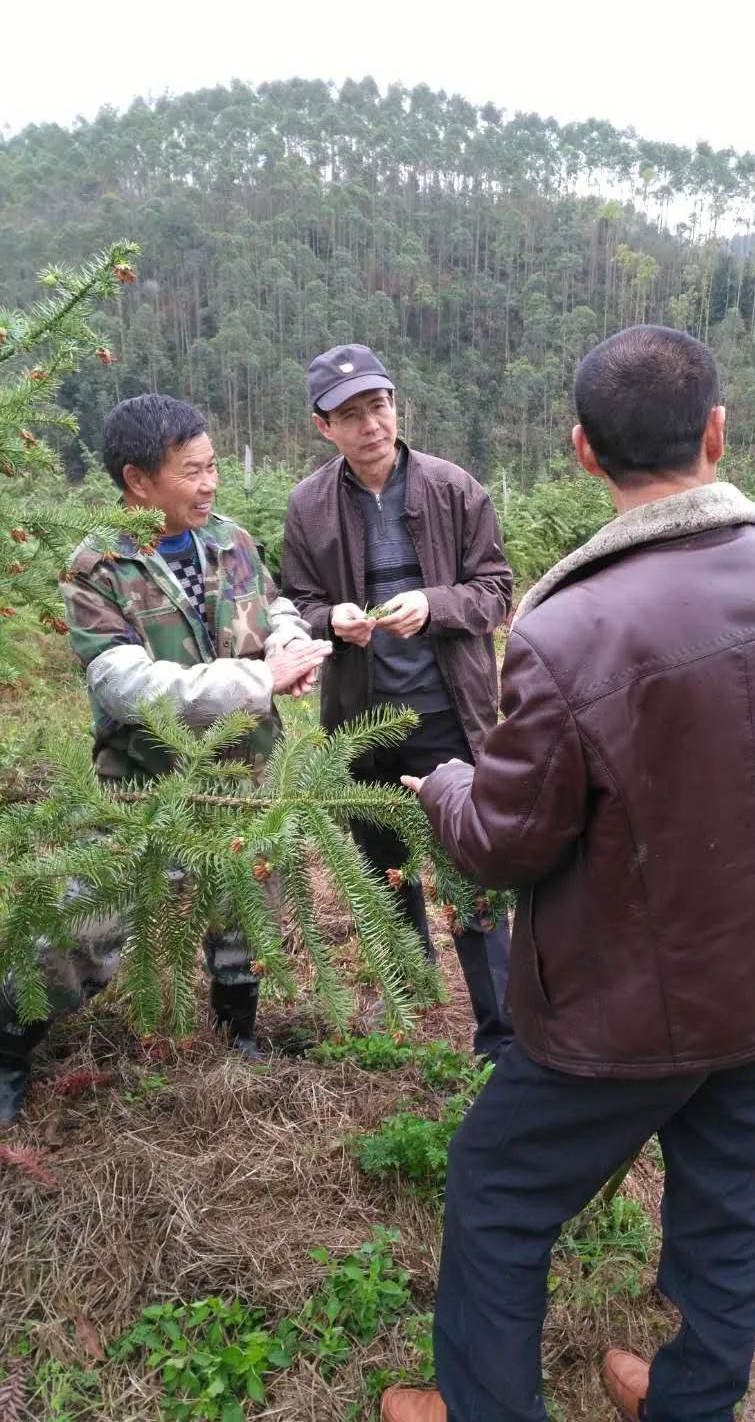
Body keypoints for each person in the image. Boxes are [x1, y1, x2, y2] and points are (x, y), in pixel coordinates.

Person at [380, 325, 755, 1422]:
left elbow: (503, 842)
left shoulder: (567, 630)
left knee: (498, 1196)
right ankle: (691, 1403)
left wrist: (445, 779)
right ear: (717, 433)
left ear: (584, 451)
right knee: (722, 1204)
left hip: (619, 1012)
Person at [0, 394, 331, 1125]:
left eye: (212, 466)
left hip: (245, 780)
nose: (210, 484)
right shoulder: (98, 567)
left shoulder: (232, 540)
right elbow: (125, 687)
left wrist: (285, 645)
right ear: (138, 481)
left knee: (248, 909)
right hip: (145, 788)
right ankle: (8, 1049)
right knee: (82, 929)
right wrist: (256, 682)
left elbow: (269, 606)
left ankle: (236, 1032)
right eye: (192, 471)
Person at [281, 345, 514, 1060]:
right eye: (350, 414)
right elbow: (296, 602)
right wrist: (333, 622)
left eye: (377, 406)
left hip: (448, 714)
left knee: (470, 864)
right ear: (325, 427)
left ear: (395, 406)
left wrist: (436, 604)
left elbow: (497, 589)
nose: (370, 424)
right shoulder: (309, 505)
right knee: (385, 865)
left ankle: (499, 1029)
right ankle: (409, 994)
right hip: (360, 723)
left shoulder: (453, 488)